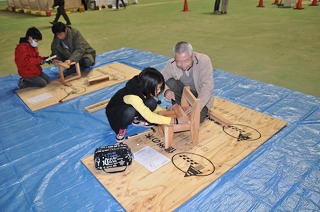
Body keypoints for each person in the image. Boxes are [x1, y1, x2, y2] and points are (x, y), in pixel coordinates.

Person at [106, 67, 189, 142]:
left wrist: (167, 111)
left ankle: (136, 119)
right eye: (157, 88)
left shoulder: (142, 86)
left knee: (151, 102)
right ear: (148, 86)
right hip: (116, 114)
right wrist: (175, 121)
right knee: (129, 112)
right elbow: (150, 116)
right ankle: (121, 129)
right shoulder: (133, 97)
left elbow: (154, 107)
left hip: (129, 106)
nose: (159, 91)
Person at [162, 41, 214, 123]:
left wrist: (196, 106)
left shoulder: (203, 60)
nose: (183, 65)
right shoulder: (171, 64)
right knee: (170, 82)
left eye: (186, 61)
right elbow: (160, 80)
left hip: (200, 97)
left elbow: (208, 86)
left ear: (192, 56)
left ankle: (189, 109)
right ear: (174, 58)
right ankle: (178, 105)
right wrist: (166, 91)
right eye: (178, 61)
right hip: (184, 95)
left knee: (195, 118)